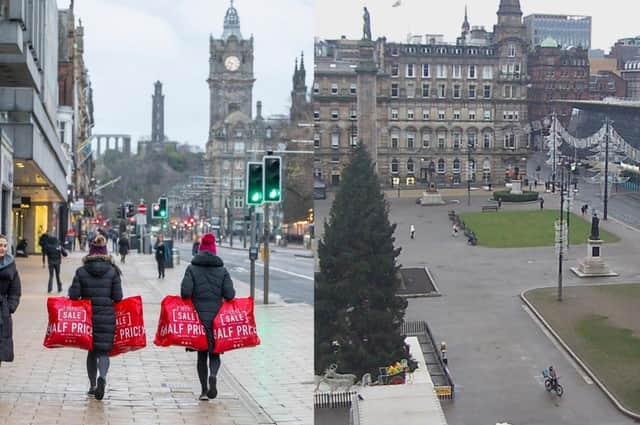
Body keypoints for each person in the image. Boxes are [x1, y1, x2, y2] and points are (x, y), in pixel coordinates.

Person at [181, 233, 235, 401]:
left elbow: (185, 293)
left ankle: (204, 390)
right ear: (214, 250)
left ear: (200, 249)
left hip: (197, 317)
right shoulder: (222, 270)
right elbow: (230, 294)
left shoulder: (191, 268)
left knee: (201, 354)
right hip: (217, 318)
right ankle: (213, 375)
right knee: (215, 352)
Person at [68, 235, 123, 400]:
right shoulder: (113, 271)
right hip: (106, 316)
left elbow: (73, 295)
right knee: (104, 351)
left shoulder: (81, 271)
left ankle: (92, 385)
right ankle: (103, 378)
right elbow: (118, 297)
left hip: (88, 316)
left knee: (91, 351)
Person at [0, 234, 21, 367]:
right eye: (0, 245)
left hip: (2, 311)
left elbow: (15, 289)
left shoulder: (10, 264)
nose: (2, 248)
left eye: (5, 245)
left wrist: (10, 306)